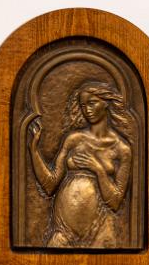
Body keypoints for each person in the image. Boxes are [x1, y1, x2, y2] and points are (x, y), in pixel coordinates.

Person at [28, 81, 137, 247]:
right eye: (83, 105)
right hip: (64, 230)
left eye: (92, 103)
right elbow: (50, 185)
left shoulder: (122, 149)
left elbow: (115, 202)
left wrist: (98, 169)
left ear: (106, 103)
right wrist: (34, 150)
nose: (87, 110)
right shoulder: (74, 139)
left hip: (99, 230)